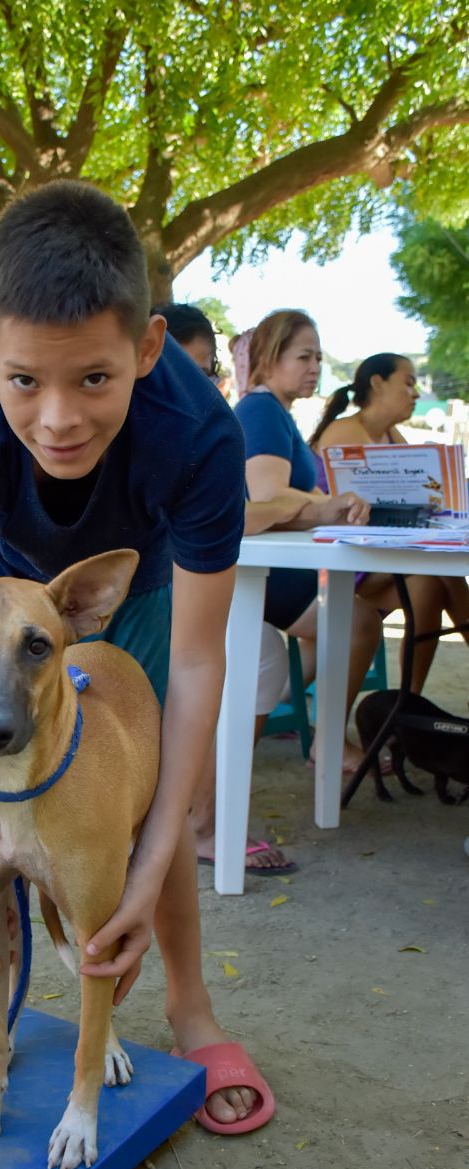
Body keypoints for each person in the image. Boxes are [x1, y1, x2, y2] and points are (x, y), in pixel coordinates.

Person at [0, 181, 272, 1132]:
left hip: (134, 587)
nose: (56, 418)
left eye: (93, 379)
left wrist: (160, 839)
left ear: (147, 348)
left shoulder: (202, 436)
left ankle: (190, 1008)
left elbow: (198, 666)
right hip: (2, 595)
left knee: (137, 791)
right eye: (24, 381)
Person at [158, 305, 368, 870]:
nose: (208, 382)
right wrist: (308, 508)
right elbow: (244, 507)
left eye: (209, 370)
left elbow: (239, 509)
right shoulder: (237, 415)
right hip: (152, 591)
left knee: (263, 654)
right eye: (197, 368)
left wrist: (306, 509)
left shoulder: (196, 420)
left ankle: (202, 816)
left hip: (189, 580)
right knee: (258, 655)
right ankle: (203, 821)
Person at [235, 310, 382, 771]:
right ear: (269, 358)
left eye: (318, 356)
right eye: (304, 356)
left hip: (275, 564)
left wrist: (329, 502)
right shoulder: (260, 411)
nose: (315, 366)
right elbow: (267, 497)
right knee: (359, 621)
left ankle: (285, 706)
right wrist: (326, 504)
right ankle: (328, 741)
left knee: (359, 611)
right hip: (262, 569)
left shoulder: (275, 411)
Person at [310, 353, 469, 691]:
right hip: (337, 558)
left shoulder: (393, 435)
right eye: (409, 382)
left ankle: (409, 704)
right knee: (443, 572)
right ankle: (408, 706)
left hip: (376, 554)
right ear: (377, 383)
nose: (415, 393)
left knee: (434, 582)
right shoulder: (344, 432)